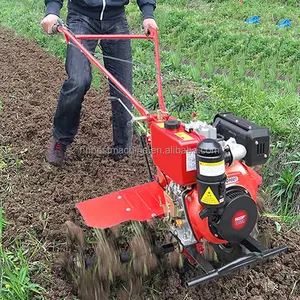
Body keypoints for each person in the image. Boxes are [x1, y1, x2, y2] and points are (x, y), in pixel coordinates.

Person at [41, 0, 158, 167]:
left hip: (116, 18)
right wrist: (52, 10)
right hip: (81, 17)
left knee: (123, 87)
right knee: (78, 80)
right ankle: (60, 141)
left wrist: (148, 14)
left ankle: (122, 149)